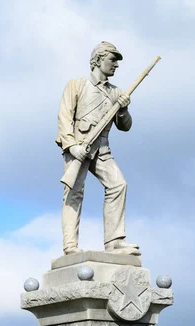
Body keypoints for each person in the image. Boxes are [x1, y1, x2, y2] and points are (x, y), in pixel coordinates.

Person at [56, 41, 140, 256]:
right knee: (74, 194)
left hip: (102, 149)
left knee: (118, 184)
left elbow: (125, 126)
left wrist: (123, 109)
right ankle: (70, 246)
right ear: (98, 59)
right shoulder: (76, 85)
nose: (116, 65)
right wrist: (72, 146)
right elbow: (65, 117)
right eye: (112, 59)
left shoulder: (115, 92)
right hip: (79, 147)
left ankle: (114, 241)